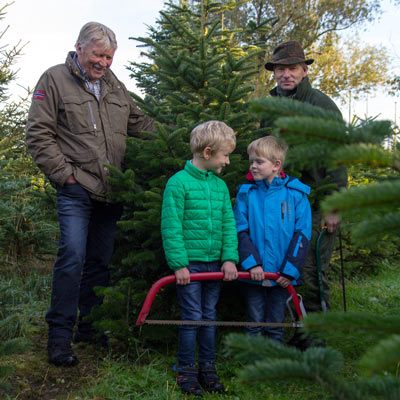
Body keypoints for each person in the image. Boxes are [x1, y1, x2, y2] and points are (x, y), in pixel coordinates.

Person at [26, 22, 154, 367]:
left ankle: (91, 328)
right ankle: (59, 337)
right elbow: (38, 134)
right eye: (98, 54)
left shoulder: (115, 87)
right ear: (79, 48)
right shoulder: (54, 79)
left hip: (111, 191)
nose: (104, 62)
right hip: (76, 188)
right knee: (72, 257)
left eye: (110, 56)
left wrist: (190, 137)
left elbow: (140, 124)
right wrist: (65, 176)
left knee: (99, 261)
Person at [264, 41, 347, 346]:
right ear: (274, 73)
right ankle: (298, 333)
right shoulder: (269, 108)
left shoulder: (321, 105)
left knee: (310, 269)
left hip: (315, 202)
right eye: (280, 69)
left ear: (304, 70)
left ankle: (317, 340)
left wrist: (334, 204)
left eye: (292, 68)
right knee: (288, 267)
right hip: (281, 203)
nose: (286, 74)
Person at [161, 120, 239, 396]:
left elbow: (229, 224)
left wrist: (229, 258)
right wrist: (179, 264)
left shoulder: (219, 187)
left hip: (215, 265)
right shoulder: (178, 184)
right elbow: (171, 226)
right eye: (225, 155)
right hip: (190, 266)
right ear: (208, 153)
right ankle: (185, 370)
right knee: (193, 316)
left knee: (209, 316)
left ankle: (208, 368)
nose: (227, 161)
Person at [234, 136, 311, 342]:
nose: (253, 166)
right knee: (254, 321)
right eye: (251, 161)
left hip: (282, 275)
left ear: (276, 165)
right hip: (254, 274)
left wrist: (289, 271)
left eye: (259, 162)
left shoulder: (296, 195)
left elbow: (302, 234)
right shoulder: (246, 194)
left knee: (276, 323)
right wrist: (252, 264)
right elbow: (240, 230)